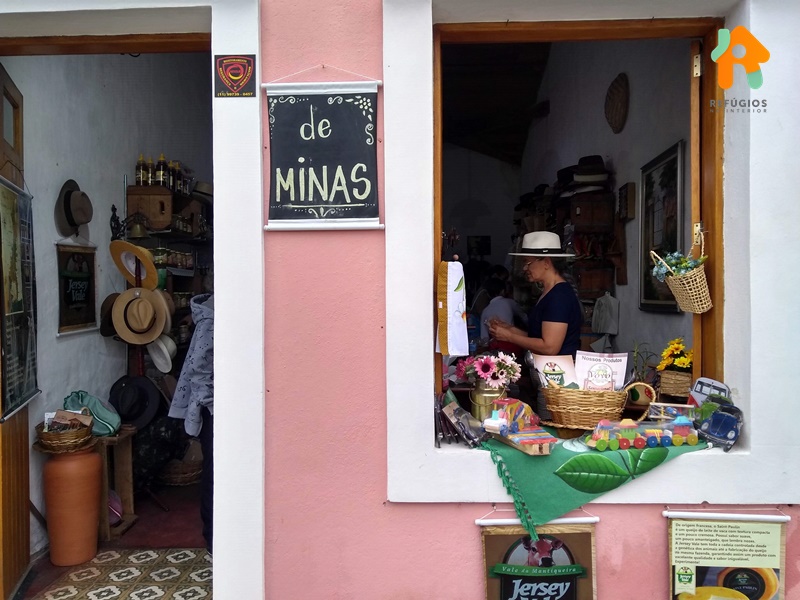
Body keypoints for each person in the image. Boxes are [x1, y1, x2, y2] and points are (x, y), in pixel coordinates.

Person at [169, 272, 214, 553]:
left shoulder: (213, 314)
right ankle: (213, 538)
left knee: (216, 468)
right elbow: (200, 370)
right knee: (215, 469)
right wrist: (213, 403)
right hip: (213, 409)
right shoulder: (211, 319)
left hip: (216, 407)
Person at [489, 231, 583, 358]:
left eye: (528, 263)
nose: (524, 268)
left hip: (557, 369)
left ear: (546, 262)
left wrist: (510, 336)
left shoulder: (559, 297)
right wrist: (509, 329)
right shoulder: (549, 292)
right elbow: (537, 337)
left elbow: (550, 348)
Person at [479, 277, 527, 354]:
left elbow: (484, 339)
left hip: (495, 347)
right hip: (512, 344)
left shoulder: (485, 311)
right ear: (503, 291)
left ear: (487, 294)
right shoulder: (509, 302)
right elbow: (524, 317)